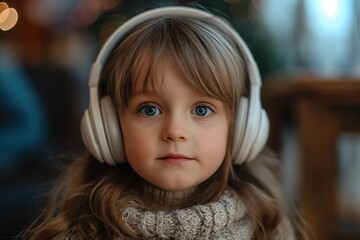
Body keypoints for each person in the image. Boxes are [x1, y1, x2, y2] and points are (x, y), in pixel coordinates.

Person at [23, 5, 307, 240]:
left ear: (241, 127)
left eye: (202, 110)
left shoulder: (267, 229)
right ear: (109, 126)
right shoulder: (82, 230)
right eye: (149, 110)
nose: (175, 132)